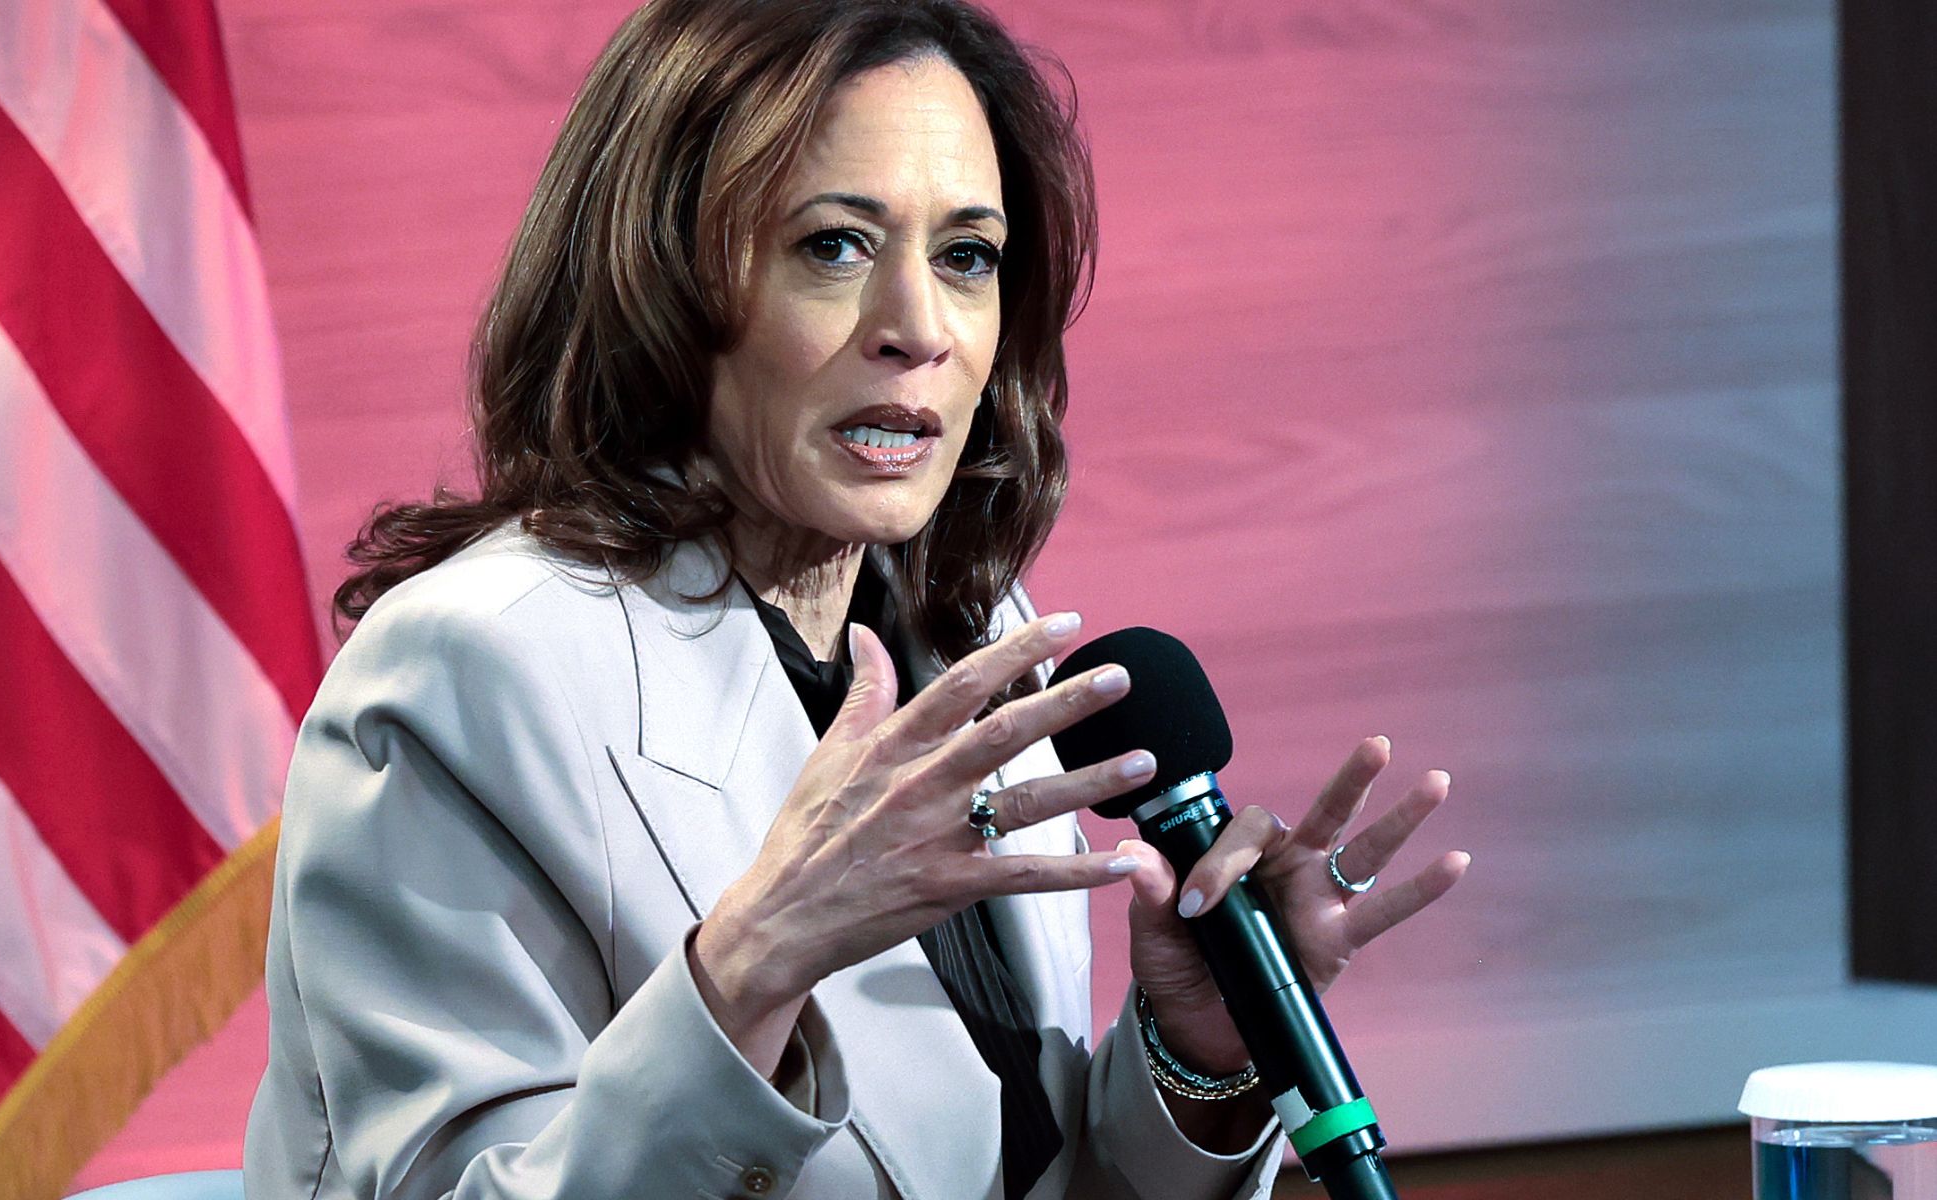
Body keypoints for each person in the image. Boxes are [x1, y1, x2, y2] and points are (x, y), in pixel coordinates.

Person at [242, 1, 1471, 1197]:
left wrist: (1196, 1055)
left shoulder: (964, 633)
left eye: (965, 257)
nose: (918, 327)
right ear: (661, 284)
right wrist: (751, 970)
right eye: (834, 244)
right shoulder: (472, 672)